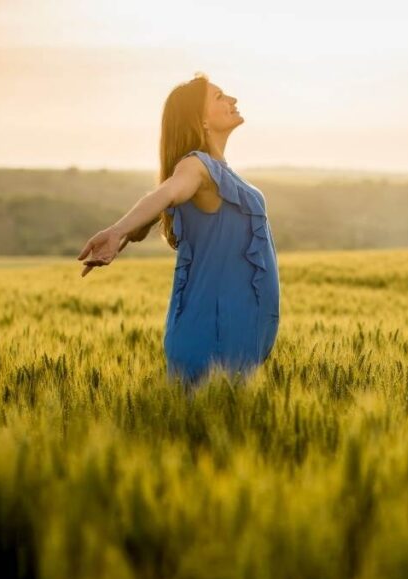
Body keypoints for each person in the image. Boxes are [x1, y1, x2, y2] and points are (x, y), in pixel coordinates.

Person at [76, 72, 280, 395]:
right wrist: (118, 231)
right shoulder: (197, 166)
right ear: (200, 120)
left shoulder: (219, 171)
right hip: (211, 342)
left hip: (229, 343)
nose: (232, 100)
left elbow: (164, 201)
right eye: (219, 97)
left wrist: (131, 232)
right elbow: (167, 192)